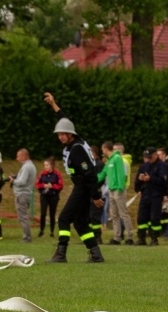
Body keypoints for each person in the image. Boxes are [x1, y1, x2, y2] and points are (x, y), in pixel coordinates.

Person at [44, 92, 105, 263]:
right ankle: (96, 254)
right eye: (59, 134)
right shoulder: (76, 141)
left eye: (64, 134)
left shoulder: (77, 149)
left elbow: (90, 174)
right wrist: (54, 104)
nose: (61, 136)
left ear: (70, 134)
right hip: (82, 186)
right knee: (81, 223)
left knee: (64, 218)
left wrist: (95, 196)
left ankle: (61, 254)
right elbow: (65, 120)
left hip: (83, 187)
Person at [100, 141, 135, 245]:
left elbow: (121, 174)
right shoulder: (109, 161)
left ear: (106, 149)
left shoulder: (117, 159)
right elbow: (104, 173)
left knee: (123, 213)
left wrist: (120, 187)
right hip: (111, 189)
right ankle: (117, 236)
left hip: (118, 190)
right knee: (114, 214)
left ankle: (129, 237)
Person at [134, 146, 168, 246]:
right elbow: (137, 180)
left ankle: (154, 238)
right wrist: (139, 188)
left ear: (155, 155)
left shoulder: (162, 166)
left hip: (156, 195)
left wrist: (150, 178)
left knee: (154, 218)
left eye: (150, 156)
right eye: (146, 157)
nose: (148, 159)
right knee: (141, 218)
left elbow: (164, 181)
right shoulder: (144, 166)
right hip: (145, 194)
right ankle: (141, 238)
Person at [9, 148, 36, 243]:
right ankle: (27, 237)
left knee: (23, 217)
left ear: (24, 156)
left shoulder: (26, 167)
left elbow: (22, 181)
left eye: (18, 156)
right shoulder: (31, 166)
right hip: (27, 194)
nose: (17, 158)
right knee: (24, 217)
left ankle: (27, 238)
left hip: (22, 194)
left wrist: (13, 180)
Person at [35, 157, 64, 237]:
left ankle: (52, 231)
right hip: (44, 196)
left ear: (51, 165)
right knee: (43, 213)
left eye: (47, 165)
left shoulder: (57, 174)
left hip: (53, 196)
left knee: (52, 214)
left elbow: (61, 185)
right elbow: (37, 184)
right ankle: (41, 230)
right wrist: (43, 185)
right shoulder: (42, 174)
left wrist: (52, 186)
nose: (45, 167)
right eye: (44, 165)